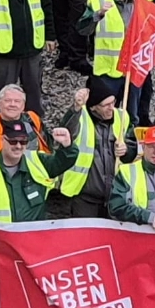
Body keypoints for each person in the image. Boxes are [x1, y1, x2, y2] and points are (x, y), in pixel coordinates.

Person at [0, 118, 76, 247]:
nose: (18, 146)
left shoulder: (37, 161)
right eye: (13, 141)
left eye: (23, 141)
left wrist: (67, 146)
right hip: (0, 247)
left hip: (34, 244)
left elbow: (63, 161)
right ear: (2, 140)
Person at [56, 79, 133, 219]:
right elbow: (65, 132)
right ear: (93, 107)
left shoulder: (122, 116)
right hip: (84, 197)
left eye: (113, 102)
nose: (111, 108)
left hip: (115, 196)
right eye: (106, 105)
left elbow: (132, 147)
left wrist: (126, 150)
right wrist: (76, 108)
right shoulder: (80, 116)